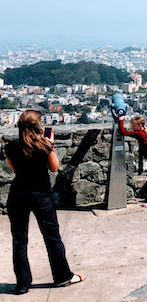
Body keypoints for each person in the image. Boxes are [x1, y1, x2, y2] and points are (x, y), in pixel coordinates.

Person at [3, 110, 85, 294]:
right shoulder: (44, 146)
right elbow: (54, 168)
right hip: (41, 195)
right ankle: (63, 276)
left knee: (19, 240)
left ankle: (22, 284)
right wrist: (50, 146)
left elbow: (15, 170)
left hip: (18, 195)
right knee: (52, 237)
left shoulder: (11, 147)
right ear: (38, 126)